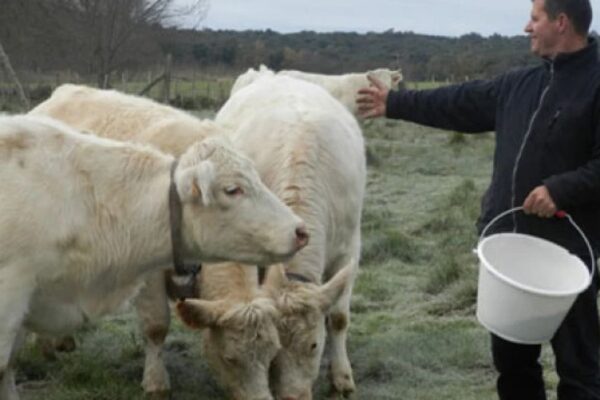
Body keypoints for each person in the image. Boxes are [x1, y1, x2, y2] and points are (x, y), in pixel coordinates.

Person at [357, 0, 600, 399]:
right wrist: (394, 104)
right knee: (514, 365)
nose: (526, 27)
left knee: (580, 371)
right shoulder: (521, 85)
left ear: (560, 22)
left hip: (569, 257)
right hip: (511, 254)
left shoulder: (596, 84)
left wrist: (561, 189)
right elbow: (459, 102)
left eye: (534, 18)